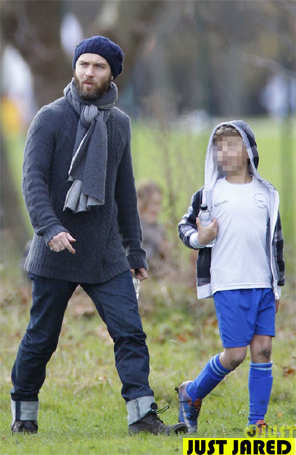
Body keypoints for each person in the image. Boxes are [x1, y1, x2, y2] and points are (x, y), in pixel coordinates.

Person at [10, 35, 187, 436]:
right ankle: (24, 412)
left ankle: (142, 417)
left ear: (112, 74)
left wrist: (135, 252)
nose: (89, 73)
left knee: (129, 331)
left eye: (99, 67)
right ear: (75, 68)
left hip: (106, 253)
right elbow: (32, 181)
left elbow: (124, 192)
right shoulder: (49, 118)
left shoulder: (118, 123)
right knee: (42, 336)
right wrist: (50, 228)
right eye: (84, 64)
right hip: (56, 248)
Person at [176, 120, 285, 434]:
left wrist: (277, 287)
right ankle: (191, 393)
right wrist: (201, 236)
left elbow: (275, 242)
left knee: (263, 351)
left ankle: (256, 422)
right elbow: (185, 228)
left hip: (263, 285)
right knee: (235, 355)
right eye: (218, 146)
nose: (224, 152)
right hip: (229, 285)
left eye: (232, 145)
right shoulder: (209, 194)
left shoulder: (267, 194)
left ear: (249, 151)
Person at [136, 180, 176, 279]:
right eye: (151, 203)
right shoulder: (133, 230)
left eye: (158, 204)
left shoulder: (159, 230)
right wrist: (159, 246)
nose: (155, 209)